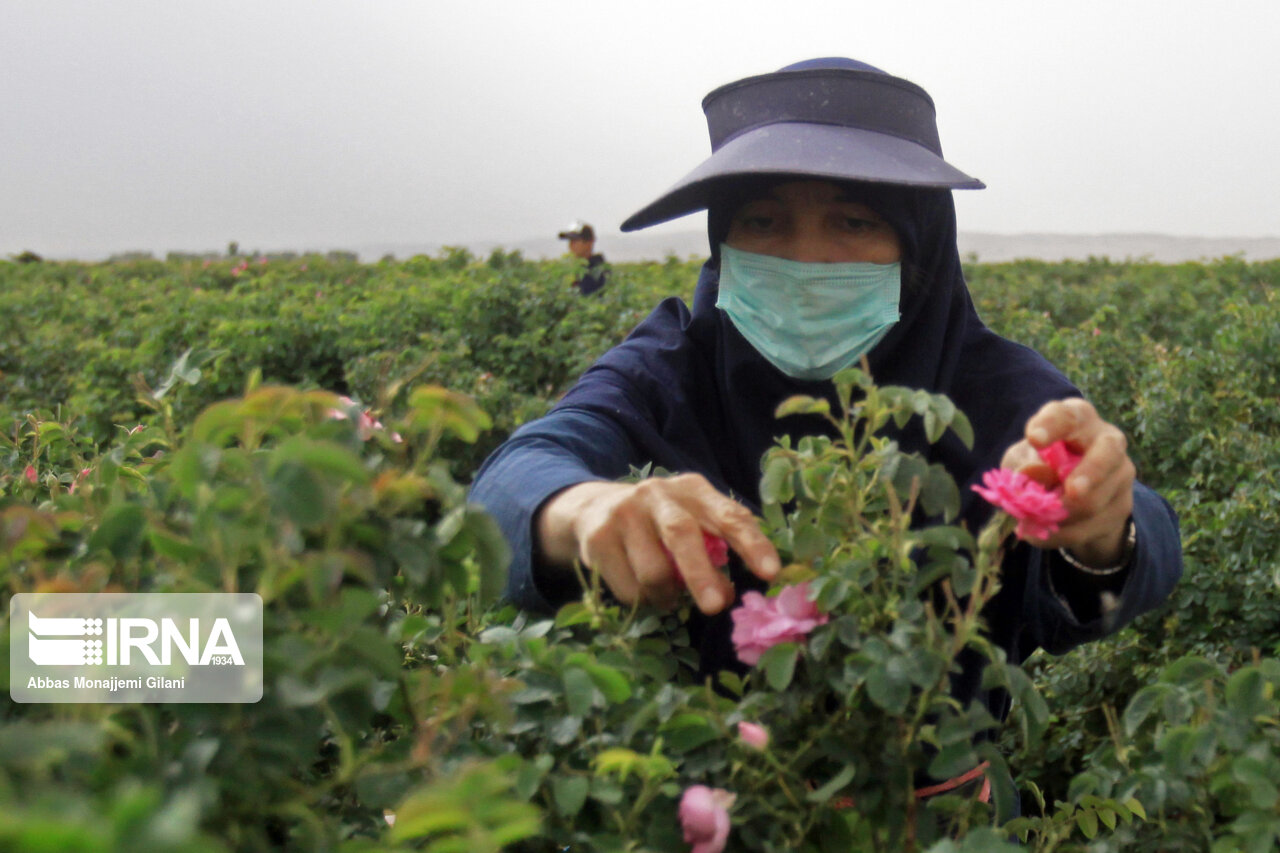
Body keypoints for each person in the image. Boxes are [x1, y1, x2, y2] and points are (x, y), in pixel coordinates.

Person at [472, 57, 1181, 739]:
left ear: (919, 245)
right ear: (723, 240)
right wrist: (580, 510)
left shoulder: (993, 389)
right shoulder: (674, 363)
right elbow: (515, 477)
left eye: (853, 222)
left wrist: (1103, 528)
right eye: (762, 221)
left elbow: (1144, 542)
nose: (805, 257)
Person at [557, 220, 609, 295]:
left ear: (589, 242)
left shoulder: (598, 272)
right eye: (570, 241)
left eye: (575, 241)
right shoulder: (572, 269)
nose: (571, 245)